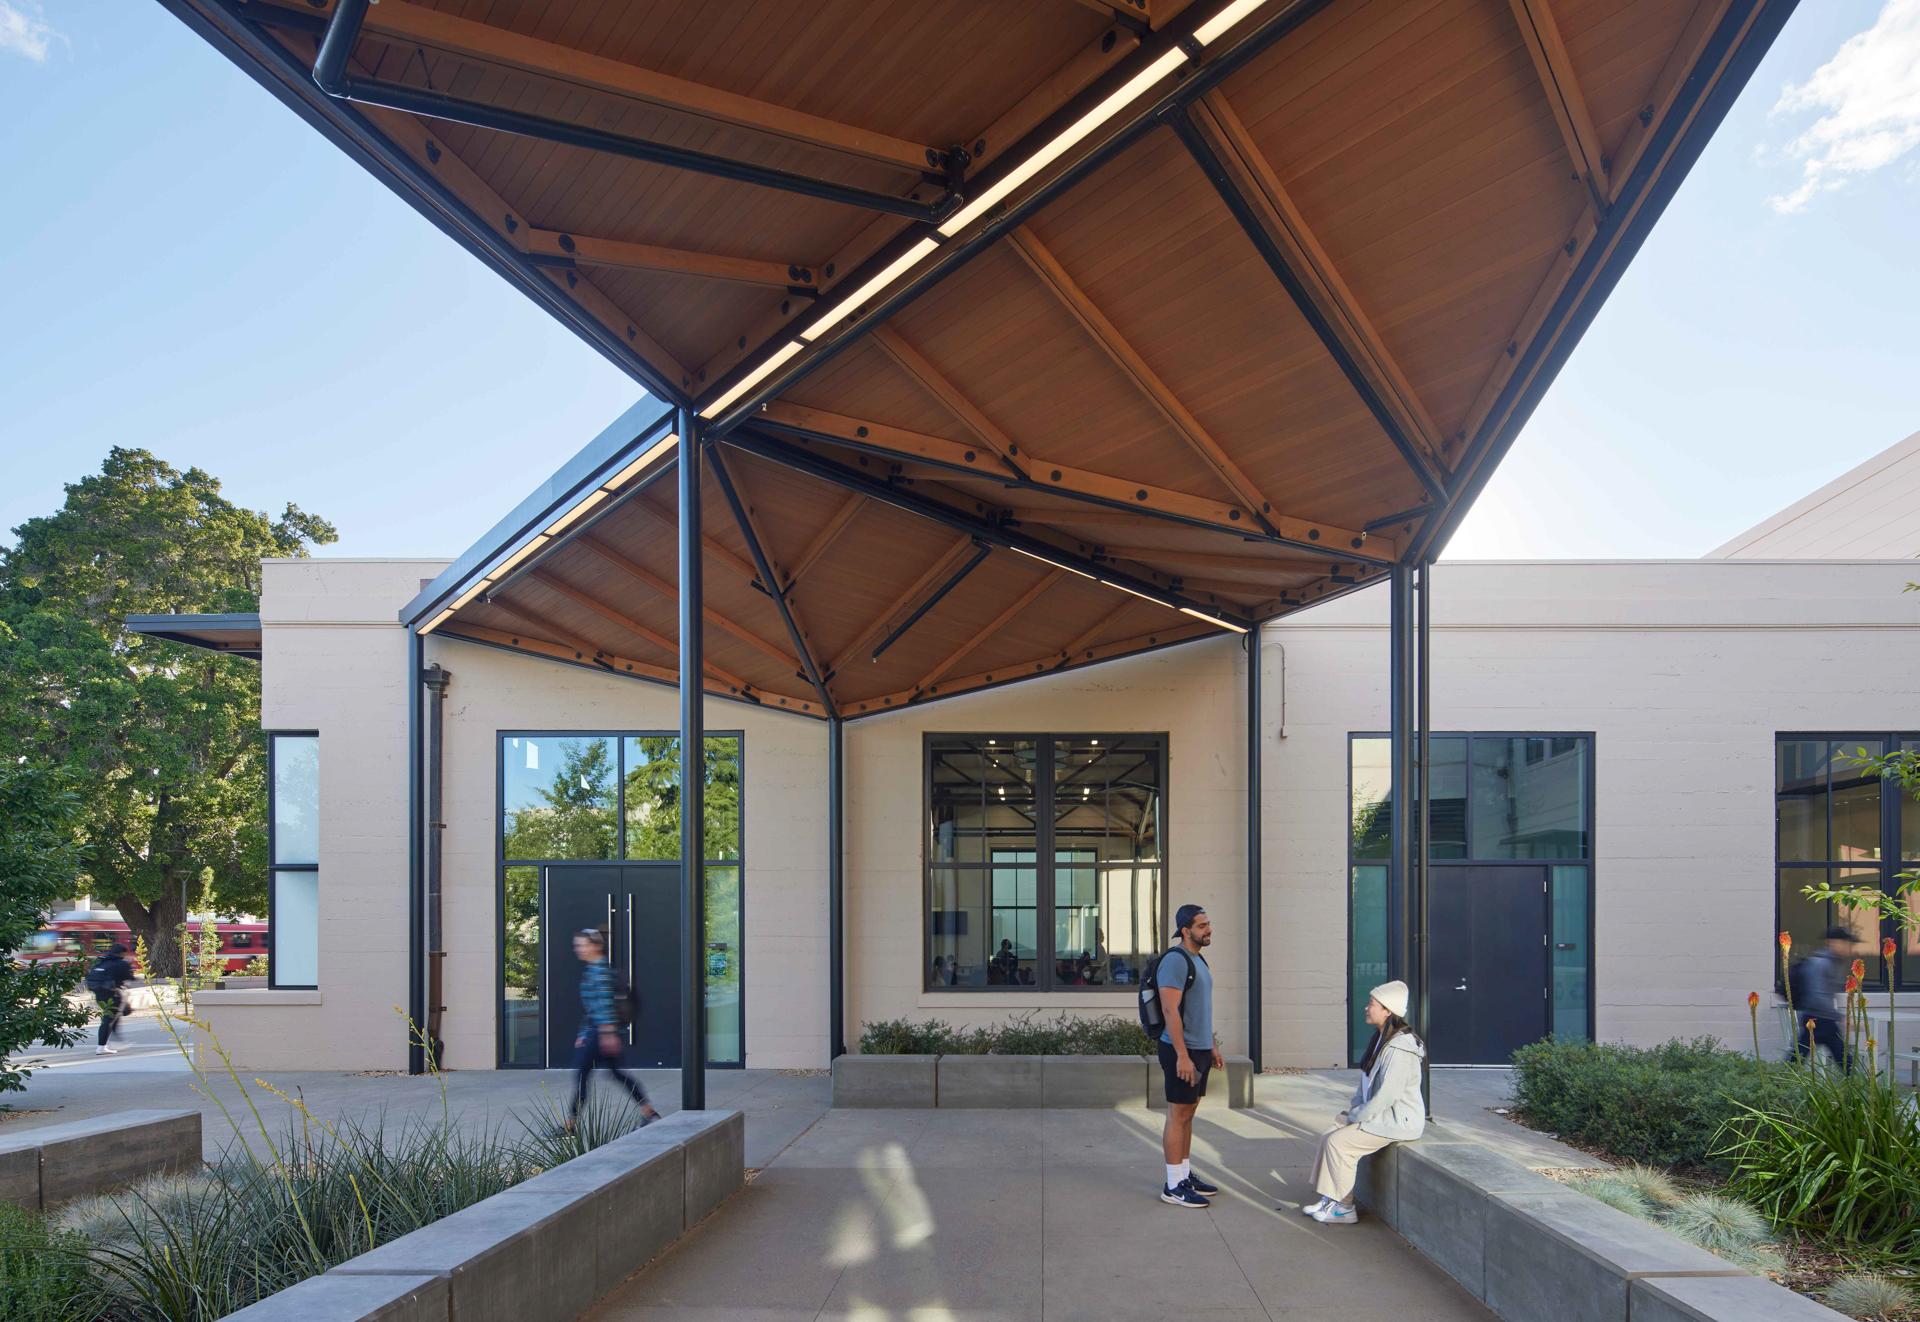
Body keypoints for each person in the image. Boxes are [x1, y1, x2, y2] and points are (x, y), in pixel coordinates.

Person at [1303, 980, 1426, 1225]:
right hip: (1378, 1114)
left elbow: (1387, 1097)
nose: (1366, 1008)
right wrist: (1353, 1111)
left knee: (1339, 1143)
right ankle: (1331, 1198)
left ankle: (1345, 1208)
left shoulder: (1400, 1048)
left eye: (1372, 1003)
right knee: (1329, 1135)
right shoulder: (1380, 1039)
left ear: (1387, 1010)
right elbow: (1365, 1083)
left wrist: (1356, 1117)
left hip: (1398, 1119)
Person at [1155, 904, 1224, 1208]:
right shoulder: (1175, 961)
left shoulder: (1199, 959)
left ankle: (1183, 1174)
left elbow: (1199, 1009)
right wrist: (1182, 1055)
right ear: (1186, 930)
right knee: (1177, 1114)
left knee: (1188, 1113)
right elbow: (1170, 1010)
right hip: (1179, 1050)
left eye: (1208, 924)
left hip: (1198, 1049)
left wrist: (1210, 1045)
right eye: (1201, 925)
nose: (1208, 929)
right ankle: (1173, 1185)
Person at [566, 929, 660, 1133]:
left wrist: (607, 1034)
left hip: (599, 1033)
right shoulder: (594, 969)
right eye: (577, 945)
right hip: (597, 1032)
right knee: (617, 1074)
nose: (578, 949)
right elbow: (590, 1008)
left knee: (582, 1075)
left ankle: (570, 1126)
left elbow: (605, 1005)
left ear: (596, 946)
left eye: (582, 945)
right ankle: (648, 1111)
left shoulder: (599, 971)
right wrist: (584, 1033)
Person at [1788, 925, 1855, 1071]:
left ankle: (1779, 1084)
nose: (1848, 947)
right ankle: (1779, 1085)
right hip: (1817, 1018)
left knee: (1799, 1056)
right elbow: (1816, 995)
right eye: (1845, 943)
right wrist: (1839, 1016)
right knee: (1842, 1059)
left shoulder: (1833, 962)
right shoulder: (1821, 963)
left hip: (1823, 1018)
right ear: (1834, 942)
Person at [85, 942, 135, 1055]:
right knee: (108, 1019)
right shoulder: (120, 963)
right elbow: (130, 977)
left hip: (99, 994)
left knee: (112, 1016)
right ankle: (101, 1047)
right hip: (113, 994)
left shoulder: (102, 961)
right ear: (122, 953)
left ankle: (114, 1040)